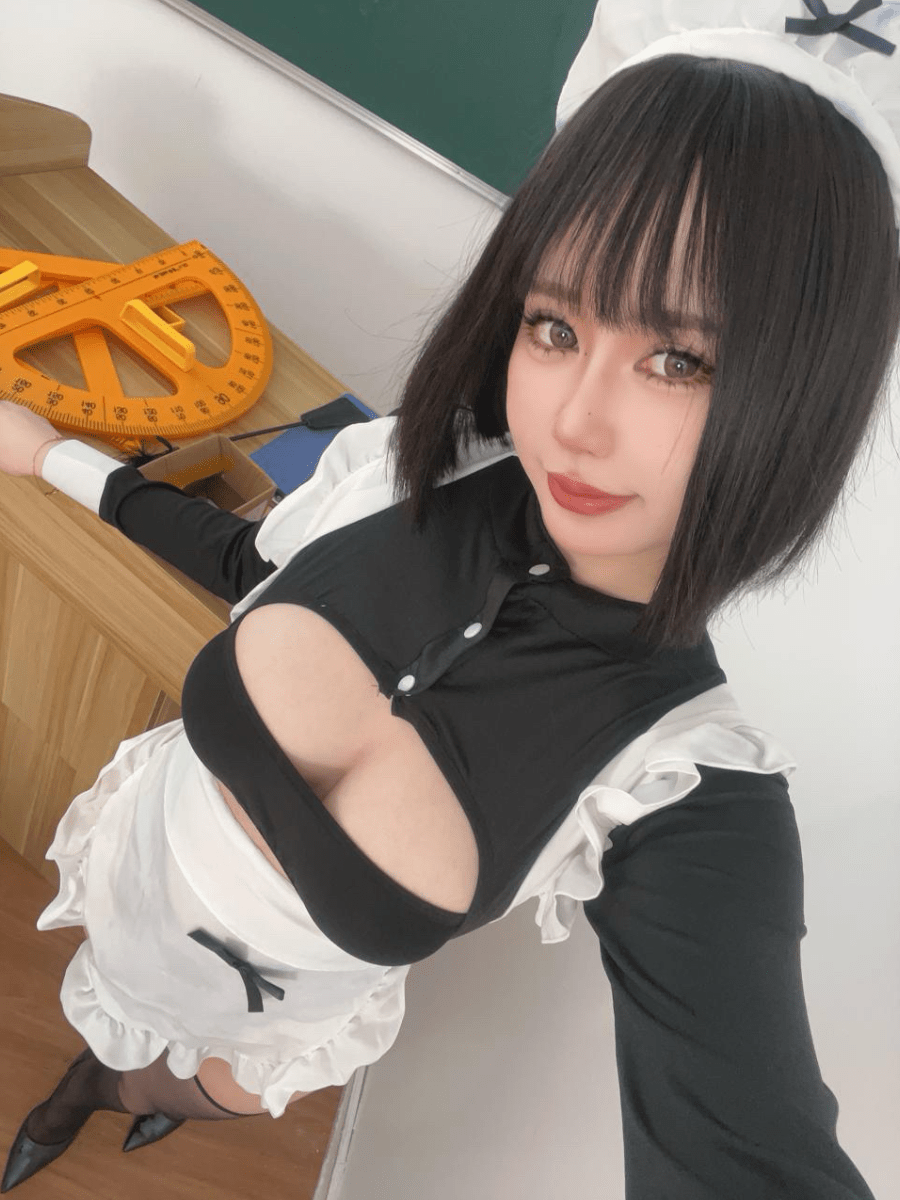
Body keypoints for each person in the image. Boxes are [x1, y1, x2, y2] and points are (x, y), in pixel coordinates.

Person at [1, 1, 898, 1195]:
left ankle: (141, 1095)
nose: (573, 422)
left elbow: (744, 1144)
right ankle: (85, 1081)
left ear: (800, 396)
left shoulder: (680, 788)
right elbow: (253, 570)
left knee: (197, 1083)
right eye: (554, 325)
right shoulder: (404, 477)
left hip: (271, 1026)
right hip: (134, 892)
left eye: (678, 358)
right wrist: (50, 456)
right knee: (106, 1019)